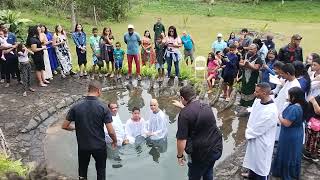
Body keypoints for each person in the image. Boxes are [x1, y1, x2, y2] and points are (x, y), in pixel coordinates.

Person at [62, 80, 117, 180]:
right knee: (101, 171)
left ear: (88, 90)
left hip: (83, 146)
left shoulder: (76, 106)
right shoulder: (103, 108)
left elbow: (64, 126)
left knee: (82, 172)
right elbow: (111, 131)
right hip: (99, 147)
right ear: (99, 91)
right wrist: (115, 140)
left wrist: (76, 127)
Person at [174, 85, 223, 180]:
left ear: (182, 98)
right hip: (215, 148)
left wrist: (179, 156)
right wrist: (183, 108)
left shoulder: (184, 114)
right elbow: (197, 114)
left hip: (199, 154)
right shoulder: (206, 106)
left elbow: (181, 140)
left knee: (194, 176)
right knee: (208, 171)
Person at [242, 83, 278, 179]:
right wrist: (249, 129)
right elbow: (253, 116)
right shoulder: (257, 102)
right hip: (253, 137)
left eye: (257, 92)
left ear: (264, 93)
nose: (254, 93)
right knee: (252, 164)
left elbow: (261, 128)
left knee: (261, 168)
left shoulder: (271, 111)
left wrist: (248, 133)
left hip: (262, 141)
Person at [272, 87, 306, 180]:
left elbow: (286, 123)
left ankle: (285, 173)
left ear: (294, 97)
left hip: (289, 134)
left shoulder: (294, 109)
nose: (288, 97)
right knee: (293, 153)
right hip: (297, 132)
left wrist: (279, 116)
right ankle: (293, 172)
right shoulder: (302, 105)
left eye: (289, 95)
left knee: (286, 153)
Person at [273, 63, 301, 141]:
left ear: (288, 73)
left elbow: (288, 103)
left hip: (283, 114)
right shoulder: (288, 81)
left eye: (282, 73)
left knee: (278, 137)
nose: (281, 75)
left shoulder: (295, 86)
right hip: (279, 109)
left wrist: (280, 115)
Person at [303, 95, 320, 162]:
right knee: (313, 139)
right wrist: (313, 101)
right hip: (314, 123)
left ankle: (313, 153)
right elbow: (318, 111)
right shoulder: (316, 98)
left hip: (314, 122)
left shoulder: (315, 98)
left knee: (314, 139)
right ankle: (310, 154)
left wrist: (313, 101)